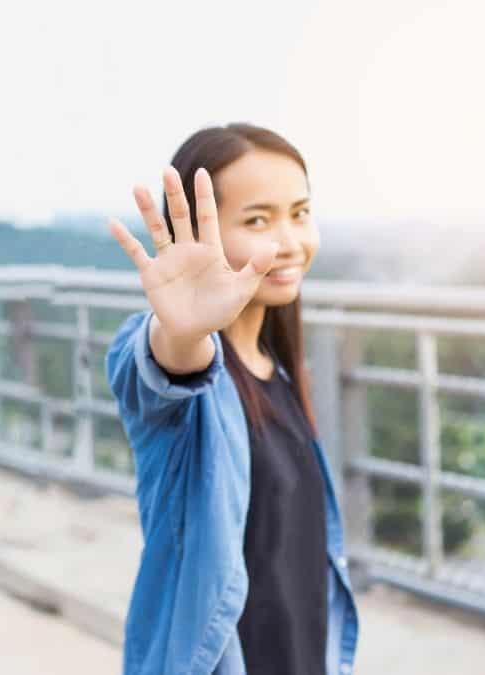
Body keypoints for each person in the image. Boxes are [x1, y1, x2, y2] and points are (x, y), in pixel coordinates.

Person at [103, 123, 359, 675]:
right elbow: (160, 367)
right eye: (257, 220)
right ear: (198, 232)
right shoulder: (189, 374)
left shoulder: (281, 375)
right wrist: (183, 329)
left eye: (300, 213)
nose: (290, 242)